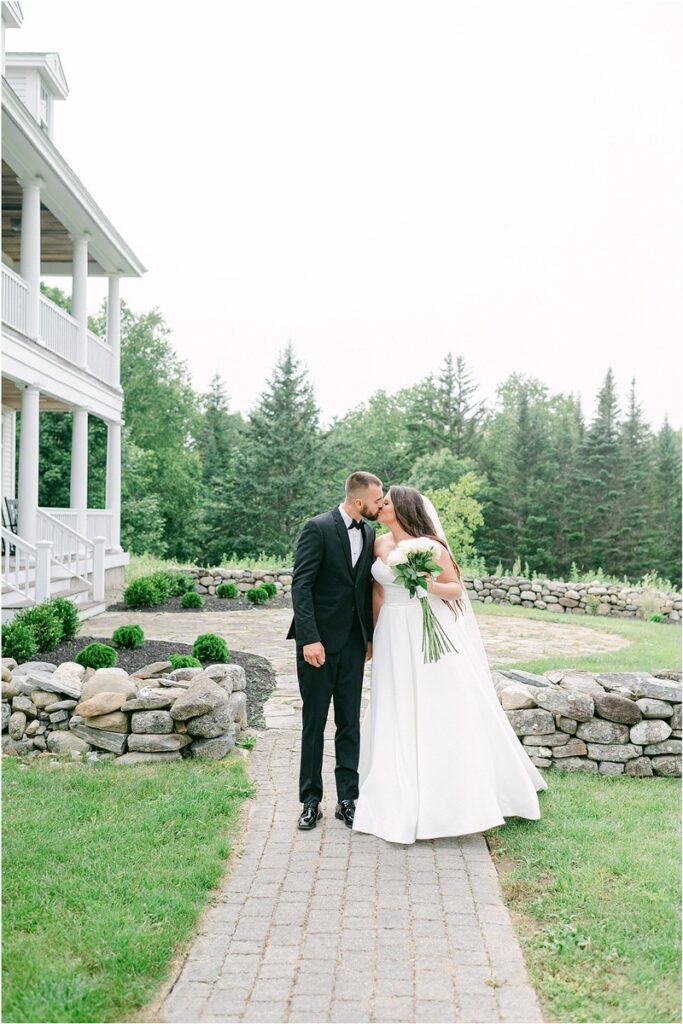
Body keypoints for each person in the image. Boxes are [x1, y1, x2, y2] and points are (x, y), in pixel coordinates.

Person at [352, 485, 548, 845]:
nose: (380, 506)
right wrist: (372, 637)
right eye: (381, 502)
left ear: (404, 508)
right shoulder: (379, 544)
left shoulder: (431, 546)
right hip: (392, 633)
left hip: (426, 629)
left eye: (387, 503)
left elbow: (455, 589)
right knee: (395, 704)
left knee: (438, 704)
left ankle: (450, 793)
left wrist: (427, 584)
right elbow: (378, 592)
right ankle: (391, 785)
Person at [287, 472, 384, 830]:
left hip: (354, 645)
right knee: (314, 724)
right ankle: (310, 801)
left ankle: (348, 799)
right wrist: (309, 639)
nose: (380, 506)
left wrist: (369, 637)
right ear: (359, 502)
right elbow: (302, 585)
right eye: (377, 501)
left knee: (349, 724)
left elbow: (364, 588)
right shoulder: (317, 527)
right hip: (317, 646)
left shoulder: (370, 532)